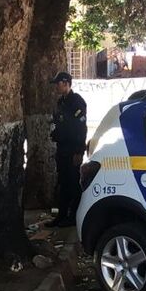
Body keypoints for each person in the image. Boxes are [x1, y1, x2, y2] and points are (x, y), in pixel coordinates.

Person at [47, 71, 87, 227]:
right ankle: (61, 215)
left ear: (66, 83)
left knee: (73, 184)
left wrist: (79, 151)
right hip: (62, 149)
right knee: (62, 183)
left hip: (73, 150)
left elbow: (80, 128)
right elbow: (61, 124)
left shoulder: (77, 102)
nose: (56, 87)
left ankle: (72, 217)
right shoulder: (61, 102)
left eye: (58, 83)